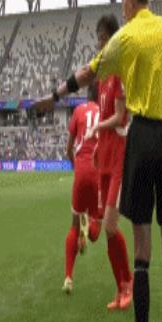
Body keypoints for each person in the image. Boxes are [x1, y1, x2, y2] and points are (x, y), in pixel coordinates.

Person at [33, 0, 162, 322]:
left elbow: (87, 73)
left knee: (142, 250)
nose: (122, 8)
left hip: (140, 139)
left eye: (122, 2)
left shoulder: (125, 37)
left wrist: (54, 96)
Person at [85, 14, 132, 311]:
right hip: (105, 157)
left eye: (104, 39)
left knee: (111, 226)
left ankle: (128, 284)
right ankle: (121, 289)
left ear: (114, 40)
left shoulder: (119, 72)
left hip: (119, 159)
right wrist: (97, 147)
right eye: (99, 39)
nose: (101, 45)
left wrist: (96, 129)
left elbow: (119, 117)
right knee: (107, 228)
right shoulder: (102, 77)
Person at [62, 84, 101, 294]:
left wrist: (75, 167)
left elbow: (68, 149)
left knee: (73, 226)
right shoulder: (106, 113)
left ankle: (68, 277)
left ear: (87, 94)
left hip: (81, 169)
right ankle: (90, 227)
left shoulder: (78, 111)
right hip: (98, 172)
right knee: (96, 231)